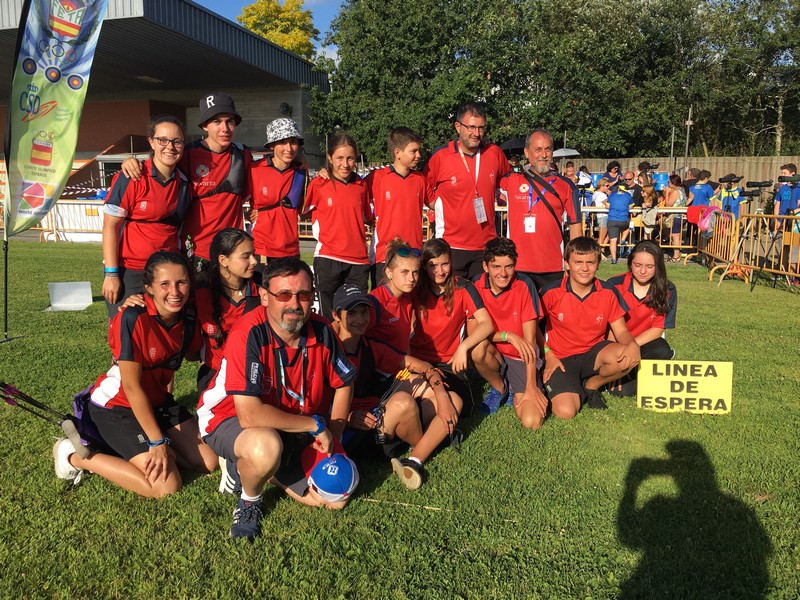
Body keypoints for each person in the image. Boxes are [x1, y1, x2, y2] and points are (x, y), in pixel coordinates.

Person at [196, 258, 359, 540]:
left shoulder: (322, 330)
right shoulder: (249, 333)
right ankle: (249, 499)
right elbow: (249, 415)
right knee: (266, 446)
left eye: (304, 295)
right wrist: (314, 426)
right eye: (283, 295)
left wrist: (335, 434)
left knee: (335, 498)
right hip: (229, 417)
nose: (294, 304)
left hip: (294, 421)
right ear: (263, 296)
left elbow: (344, 383)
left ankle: (258, 466)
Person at [54, 251, 218, 496]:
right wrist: (156, 442)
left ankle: (146, 445)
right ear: (148, 288)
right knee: (165, 486)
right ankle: (73, 454)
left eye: (181, 282)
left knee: (208, 462)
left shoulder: (189, 315)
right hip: (117, 406)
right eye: (164, 284)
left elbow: (195, 353)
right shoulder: (132, 316)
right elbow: (131, 387)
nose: (174, 292)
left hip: (157, 402)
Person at [331, 284, 455, 489]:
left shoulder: (368, 346)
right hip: (355, 431)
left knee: (453, 399)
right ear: (336, 315)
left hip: (376, 414)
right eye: (351, 313)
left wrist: (441, 394)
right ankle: (427, 443)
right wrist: (349, 418)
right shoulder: (326, 348)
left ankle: (415, 458)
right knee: (403, 403)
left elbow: (420, 365)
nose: (360, 319)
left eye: (364, 312)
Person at [121, 92, 253, 274]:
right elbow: (160, 163)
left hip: (231, 253)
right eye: (217, 122)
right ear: (205, 125)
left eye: (229, 121)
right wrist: (131, 161)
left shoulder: (242, 155)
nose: (225, 128)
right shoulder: (187, 154)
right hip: (194, 251)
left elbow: (268, 174)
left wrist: (298, 161)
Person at [102, 116, 191, 317]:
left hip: (166, 274)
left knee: (162, 334)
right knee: (127, 330)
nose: (170, 147)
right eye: (163, 140)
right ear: (151, 141)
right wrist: (111, 274)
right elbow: (110, 227)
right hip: (130, 272)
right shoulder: (132, 177)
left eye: (177, 141)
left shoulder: (184, 183)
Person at [540, 237, 640, 416]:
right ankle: (567, 385)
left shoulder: (608, 291)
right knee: (566, 412)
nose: (584, 268)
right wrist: (548, 355)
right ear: (567, 264)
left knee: (627, 356)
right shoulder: (550, 292)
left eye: (590, 262)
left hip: (594, 353)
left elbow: (621, 330)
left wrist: (633, 345)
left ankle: (592, 384)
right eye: (578, 262)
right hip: (561, 358)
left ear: (598, 264)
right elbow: (533, 331)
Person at [423, 102, 511, 279]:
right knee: (453, 301)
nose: (476, 133)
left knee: (480, 302)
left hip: (485, 245)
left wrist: (500, 194)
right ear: (458, 127)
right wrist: (440, 205)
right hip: (452, 245)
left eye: (481, 128)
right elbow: (424, 189)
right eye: (471, 127)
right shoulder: (441, 157)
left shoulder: (494, 152)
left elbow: (507, 179)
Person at [470, 238, 549, 428]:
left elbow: (530, 341)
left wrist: (531, 386)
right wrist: (508, 336)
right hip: (493, 352)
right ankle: (499, 388)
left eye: (509, 266)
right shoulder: (475, 285)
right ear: (485, 266)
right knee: (477, 348)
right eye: (496, 266)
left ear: (516, 264)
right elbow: (474, 333)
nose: (503, 274)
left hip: (521, 357)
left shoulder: (525, 284)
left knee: (532, 421)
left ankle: (517, 387)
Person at [411, 238, 494, 416]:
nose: (440, 271)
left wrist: (463, 347)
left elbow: (487, 324)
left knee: (461, 409)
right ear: (424, 266)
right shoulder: (414, 289)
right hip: (418, 361)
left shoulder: (463, 287)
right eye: (433, 265)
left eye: (445, 264)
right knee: (421, 405)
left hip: (449, 362)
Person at [499, 129, 582, 291]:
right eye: (538, 150)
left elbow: (575, 228)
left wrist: (574, 264)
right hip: (518, 266)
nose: (543, 155)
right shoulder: (511, 180)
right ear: (526, 152)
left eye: (548, 149)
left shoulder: (566, 185)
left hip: (552, 268)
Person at [305, 133, 372, 319]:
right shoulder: (319, 184)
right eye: (339, 158)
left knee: (355, 318)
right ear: (329, 158)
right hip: (328, 258)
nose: (345, 164)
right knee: (329, 317)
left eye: (350, 158)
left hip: (358, 262)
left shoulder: (361, 185)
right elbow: (299, 208)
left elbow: (368, 217)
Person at [606, 240, 677, 396]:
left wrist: (632, 346)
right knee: (622, 393)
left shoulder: (668, 289)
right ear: (630, 263)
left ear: (658, 266)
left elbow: (658, 329)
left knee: (661, 350)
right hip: (616, 342)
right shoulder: (614, 284)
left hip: (644, 343)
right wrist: (614, 360)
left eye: (649, 267)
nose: (643, 271)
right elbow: (608, 327)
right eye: (638, 265)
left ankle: (641, 371)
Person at [194, 228, 259, 392]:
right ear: (223, 260)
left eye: (253, 254)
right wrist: (134, 301)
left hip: (255, 375)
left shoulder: (263, 286)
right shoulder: (199, 289)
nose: (254, 261)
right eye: (246, 257)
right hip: (214, 378)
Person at [364, 128, 431, 279]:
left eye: (419, 150)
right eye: (413, 151)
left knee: (413, 303)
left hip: (414, 255)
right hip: (384, 256)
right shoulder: (377, 178)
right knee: (383, 301)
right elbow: (354, 196)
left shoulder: (420, 179)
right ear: (398, 153)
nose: (418, 155)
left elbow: (437, 203)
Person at [248, 118, 308, 262]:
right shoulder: (254, 169)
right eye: (282, 142)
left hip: (291, 250)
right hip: (261, 249)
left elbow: (305, 211)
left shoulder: (301, 172)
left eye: (293, 142)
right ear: (272, 145)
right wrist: (248, 213)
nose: (289, 148)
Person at [368, 238, 421, 354]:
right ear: (389, 273)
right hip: (380, 369)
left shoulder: (407, 298)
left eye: (415, 272)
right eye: (404, 272)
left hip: (401, 367)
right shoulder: (376, 301)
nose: (411, 278)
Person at [606, 182, 634, 264]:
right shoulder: (628, 195)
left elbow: (607, 206)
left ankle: (614, 259)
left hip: (612, 219)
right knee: (628, 226)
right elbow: (631, 206)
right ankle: (623, 239)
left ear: (618, 188)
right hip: (624, 220)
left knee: (613, 241)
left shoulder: (612, 195)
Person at [663, 174, 687, 262]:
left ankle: (676, 256)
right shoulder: (682, 190)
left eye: (669, 182)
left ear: (673, 183)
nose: (668, 184)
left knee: (675, 236)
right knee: (675, 235)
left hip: (676, 216)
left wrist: (666, 194)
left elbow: (668, 204)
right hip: (681, 215)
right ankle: (676, 254)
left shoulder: (676, 192)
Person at [592, 177, 611, 247]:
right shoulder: (601, 195)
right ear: (601, 186)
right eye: (607, 186)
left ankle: (602, 248)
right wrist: (611, 196)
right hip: (603, 216)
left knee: (610, 233)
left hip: (601, 216)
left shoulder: (595, 193)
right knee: (602, 238)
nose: (608, 188)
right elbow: (609, 204)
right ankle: (599, 250)